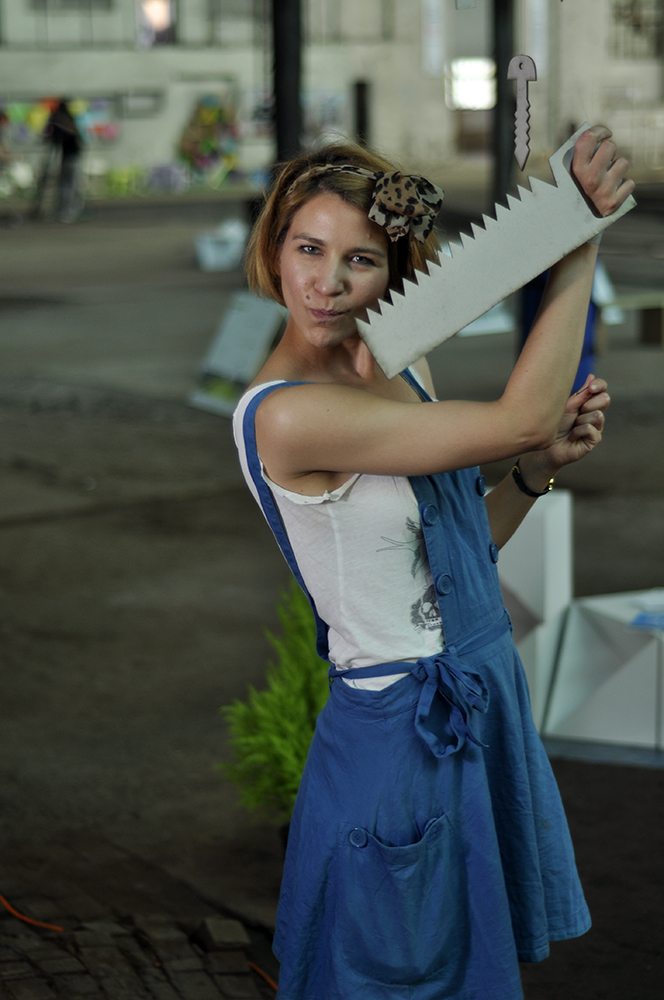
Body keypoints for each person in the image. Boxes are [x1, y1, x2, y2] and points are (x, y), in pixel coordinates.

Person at [232, 125, 634, 999]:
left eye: (361, 260)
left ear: (395, 271)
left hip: (476, 704)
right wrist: (580, 238)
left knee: (463, 972)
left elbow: (457, 559)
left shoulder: (396, 363)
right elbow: (522, 414)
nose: (328, 284)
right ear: (273, 249)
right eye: (308, 249)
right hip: (399, 738)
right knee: (403, 978)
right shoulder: (285, 416)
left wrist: (531, 474)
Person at [32, 99, 84, 222]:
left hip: (69, 157)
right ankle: (66, 211)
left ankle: (66, 212)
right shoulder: (68, 121)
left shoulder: (60, 121)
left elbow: (50, 136)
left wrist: (51, 131)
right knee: (69, 185)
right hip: (70, 156)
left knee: (67, 185)